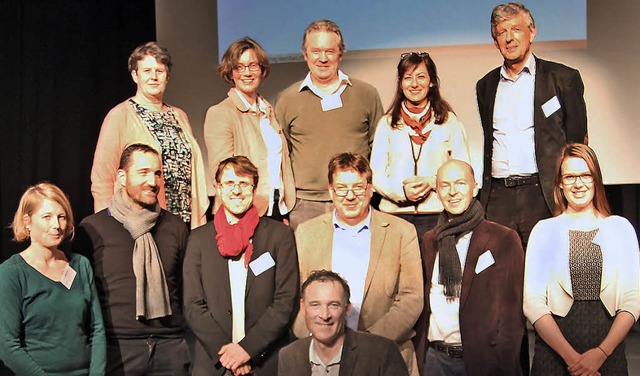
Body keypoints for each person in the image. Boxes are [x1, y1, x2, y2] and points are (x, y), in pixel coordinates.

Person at [294, 152, 423, 376]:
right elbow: (297, 297)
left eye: (358, 187)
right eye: (342, 188)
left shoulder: (402, 232)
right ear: (331, 191)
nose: (350, 195)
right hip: (322, 359)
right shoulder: (306, 233)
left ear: (370, 189)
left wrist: (363, 346)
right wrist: (317, 337)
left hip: (386, 355)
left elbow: (412, 298)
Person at [476, 2, 588, 248]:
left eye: (515, 29)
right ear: (495, 42)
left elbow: (577, 142)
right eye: (501, 33)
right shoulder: (485, 86)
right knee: (501, 275)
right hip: (498, 196)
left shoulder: (563, 79)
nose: (509, 38)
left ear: (532, 32)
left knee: (547, 267)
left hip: (542, 193)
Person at [524, 143, 640, 376]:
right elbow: (533, 303)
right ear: (560, 183)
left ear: (596, 179)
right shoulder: (543, 230)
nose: (578, 184)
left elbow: (632, 299)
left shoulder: (620, 228)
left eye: (586, 175)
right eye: (570, 177)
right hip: (554, 357)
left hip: (608, 353)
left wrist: (600, 354)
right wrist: (574, 360)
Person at [75, 144, 190, 375]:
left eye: (157, 173)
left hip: (170, 348)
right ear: (122, 177)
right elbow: (81, 296)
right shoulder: (92, 228)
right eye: (143, 172)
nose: (153, 181)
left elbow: (186, 288)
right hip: (117, 347)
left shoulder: (175, 227)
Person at [183, 156, 298, 375]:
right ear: (218, 188)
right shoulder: (198, 239)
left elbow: (285, 301)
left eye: (244, 184)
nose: (237, 191)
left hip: (265, 362)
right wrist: (229, 355)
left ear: (254, 189)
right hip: (214, 363)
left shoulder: (279, 236)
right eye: (229, 183)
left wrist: (248, 349)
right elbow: (192, 304)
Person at [413, 160, 525, 376]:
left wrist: (502, 361)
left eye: (460, 183)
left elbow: (512, 313)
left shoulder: (503, 238)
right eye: (445, 185)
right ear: (437, 191)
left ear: (474, 187)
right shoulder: (430, 240)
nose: (452, 192)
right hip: (435, 360)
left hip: (483, 362)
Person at [275, 19, 384, 228]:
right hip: (304, 205)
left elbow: (378, 149)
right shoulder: (287, 99)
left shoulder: (366, 94)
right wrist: (286, 206)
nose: (322, 58)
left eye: (330, 51)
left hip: (355, 199)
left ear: (340, 54)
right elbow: (283, 156)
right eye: (316, 51)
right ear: (305, 54)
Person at [91, 41, 208, 229]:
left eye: (159, 71)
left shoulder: (179, 115)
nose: (153, 77)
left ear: (167, 76)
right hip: (139, 222)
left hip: (182, 220)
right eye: (146, 71)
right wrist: (106, 227)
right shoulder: (120, 116)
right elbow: (102, 178)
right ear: (135, 75)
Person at [0, 183, 106, 375]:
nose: (56, 225)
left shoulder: (80, 265)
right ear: (27, 221)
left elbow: (97, 328)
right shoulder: (11, 273)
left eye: (61, 217)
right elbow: (7, 346)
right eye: (47, 217)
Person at [370, 51, 470, 242]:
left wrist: (432, 182)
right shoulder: (387, 124)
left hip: (437, 215)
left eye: (421, 77)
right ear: (400, 83)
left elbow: (463, 169)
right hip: (393, 217)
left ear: (432, 81)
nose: (414, 84)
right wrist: (401, 193)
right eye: (408, 78)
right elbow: (376, 173)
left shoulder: (449, 121)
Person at [204, 37, 295, 222]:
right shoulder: (221, 113)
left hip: (276, 208)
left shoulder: (268, 111)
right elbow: (221, 174)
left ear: (262, 70)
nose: (247, 72)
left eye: (253, 65)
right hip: (242, 214)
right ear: (230, 72)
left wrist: (281, 209)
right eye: (239, 67)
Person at [279, 270, 409, 376]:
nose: (324, 315)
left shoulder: (381, 352)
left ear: (346, 309)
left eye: (334, 305)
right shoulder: (289, 356)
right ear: (303, 307)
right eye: (315, 305)